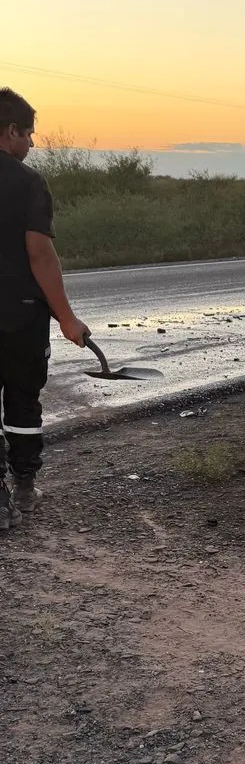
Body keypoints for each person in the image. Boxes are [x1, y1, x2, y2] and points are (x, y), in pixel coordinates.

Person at [0, 88, 91, 530]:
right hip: (18, 315)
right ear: (11, 131)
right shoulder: (28, 183)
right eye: (29, 134)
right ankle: (23, 486)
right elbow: (40, 257)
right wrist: (67, 317)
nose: (32, 144)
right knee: (22, 401)